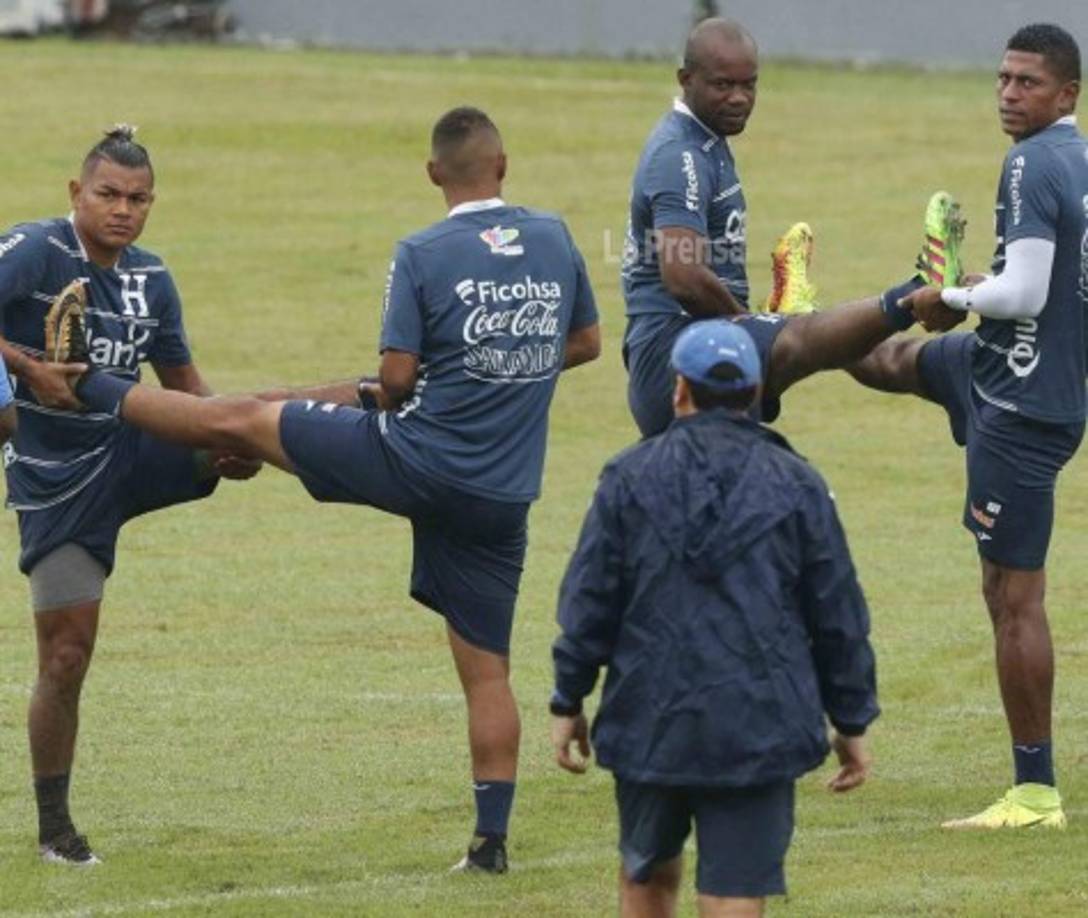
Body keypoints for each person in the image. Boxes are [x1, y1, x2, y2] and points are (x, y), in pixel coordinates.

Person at [60, 107, 602, 872]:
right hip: (502, 492)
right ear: (503, 166)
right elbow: (584, 342)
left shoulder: (423, 250)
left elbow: (395, 380)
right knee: (488, 671)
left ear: (433, 174)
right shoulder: (552, 236)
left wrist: (440, 376)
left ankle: (84, 384)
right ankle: (490, 846)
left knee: (245, 420)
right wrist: (497, 369)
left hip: (414, 459)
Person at [550, 319, 878, 916]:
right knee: (735, 890)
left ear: (679, 390)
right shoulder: (798, 482)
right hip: (760, 720)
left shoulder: (628, 476)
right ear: (755, 393)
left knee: (646, 874)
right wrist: (851, 720)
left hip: (651, 717)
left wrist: (568, 699)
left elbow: (591, 600)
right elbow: (837, 612)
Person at [0, 125, 260, 866]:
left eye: (138, 199)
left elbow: (185, 387)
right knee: (67, 656)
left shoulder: (153, 277)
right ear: (75, 192)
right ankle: (55, 829)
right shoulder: (34, 250)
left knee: (255, 426)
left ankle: (370, 413)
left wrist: (229, 438)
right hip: (56, 475)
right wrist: (23, 368)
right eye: (108, 194)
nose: (122, 210)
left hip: (133, 452)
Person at [851, 23, 1087, 830]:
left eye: (1027, 83)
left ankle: (1035, 794)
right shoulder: (1076, 162)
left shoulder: (1032, 163)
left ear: (1067, 94)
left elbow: (1026, 295)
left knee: (1012, 595)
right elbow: (1046, 283)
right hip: (1000, 369)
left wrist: (951, 296)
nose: (1008, 94)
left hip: (1021, 406)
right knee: (888, 360)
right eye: (1003, 79)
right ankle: (790, 327)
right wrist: (979, 291)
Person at [621, 16, 966, 439]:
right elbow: (684, 276)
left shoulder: (704, 143)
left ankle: (932, 353)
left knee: (840, 350)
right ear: (686, 79)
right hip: (674, 354)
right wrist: (749, 328)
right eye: (723, 85)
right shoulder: (681, 155)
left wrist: (754, 329)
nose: (739, 98)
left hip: (697, 344)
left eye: (749, 85)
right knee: (799, 340)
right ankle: (918, 287)